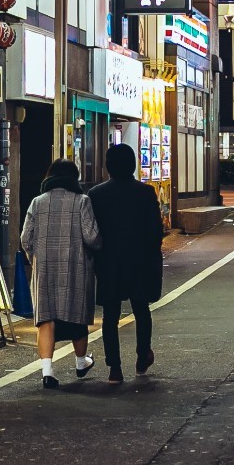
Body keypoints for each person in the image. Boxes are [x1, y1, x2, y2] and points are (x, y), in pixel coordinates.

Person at [19, 158, 101, 389]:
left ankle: (47, 372)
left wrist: (35, 259)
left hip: (44, 269)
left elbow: (26, 238)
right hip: (75, 265)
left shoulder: (37, 202)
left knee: (46, 318)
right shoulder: (82, 201)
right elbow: (92, 237)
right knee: (77, 314)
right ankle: (80, 362)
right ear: (74, 178)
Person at [88, 142, 164, 383]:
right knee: (141, 309)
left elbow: (93, 232)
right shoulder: (145, 193)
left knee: (111, 315)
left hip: (109, 262)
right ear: (132, 165)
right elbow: (155, 231)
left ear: (108, 166)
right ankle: (143, 356)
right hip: (140, 261)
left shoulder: (96, 194)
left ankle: (115, 369)